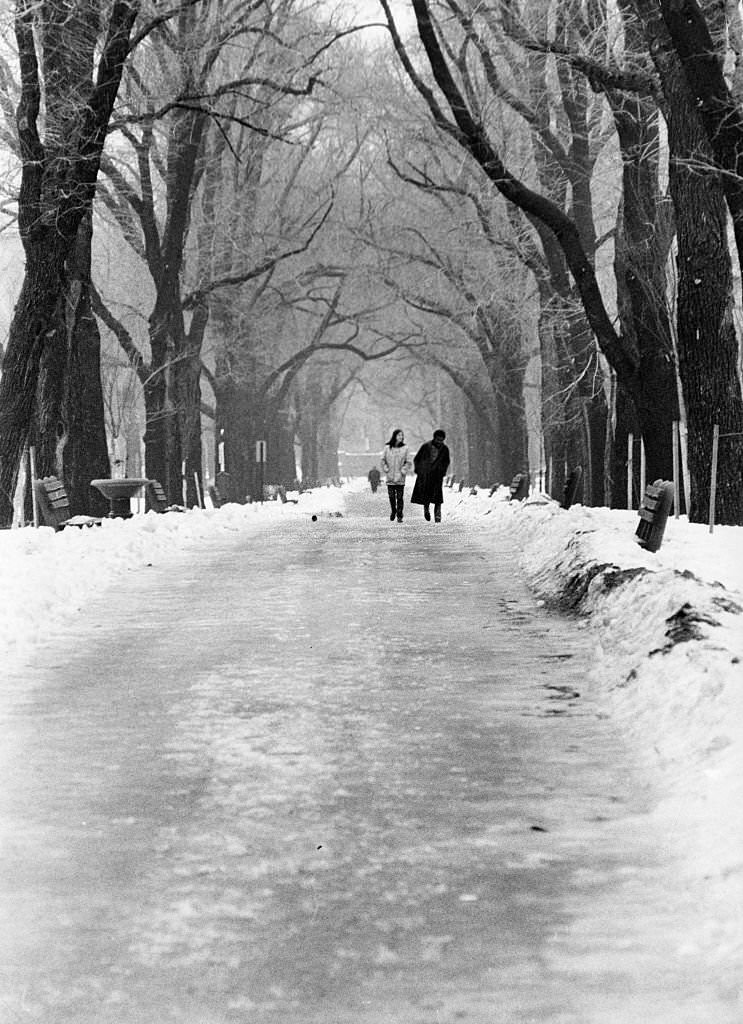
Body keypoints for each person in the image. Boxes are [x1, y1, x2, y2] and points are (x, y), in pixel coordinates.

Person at [411, 429, 451, 522]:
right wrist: (419, 470)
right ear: (434, 438)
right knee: (427, 495)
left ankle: (437, 515)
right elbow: (417, 459)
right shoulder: (426, 447)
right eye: (438, 440)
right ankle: (426, 510)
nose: (439, 442)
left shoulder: (445, 449)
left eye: (441, 440)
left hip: (437, 476)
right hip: (426, 475)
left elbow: (446, 462)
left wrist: (442, 471)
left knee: (438, 497)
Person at [381, 428, 412, 522]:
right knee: (391, 497)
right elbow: (383, 460)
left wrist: (403, 470)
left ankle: (399, 515)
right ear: (394, 436)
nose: (401, 437)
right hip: (390, 477)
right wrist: (386, 468)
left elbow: (408, 461)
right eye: (399, 435)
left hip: (400, 478)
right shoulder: (387, 448)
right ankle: (393, 511)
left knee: (399, 497)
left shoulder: (405, 448)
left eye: (402, 435)